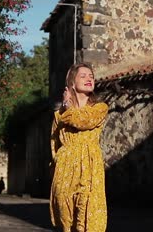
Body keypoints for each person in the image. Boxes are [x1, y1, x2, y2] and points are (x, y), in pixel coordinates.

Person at [49, 63, 109, 232]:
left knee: (89, 216)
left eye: (91, 76)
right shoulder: (58, 115)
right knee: (66, 220)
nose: (89, 79)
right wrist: (58, 161)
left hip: (90, 167)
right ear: (72, 84)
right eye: (83, 76)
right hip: (65, 168)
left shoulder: (99, 108)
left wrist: (68, 107)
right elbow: (54, 143)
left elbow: (83, 122)